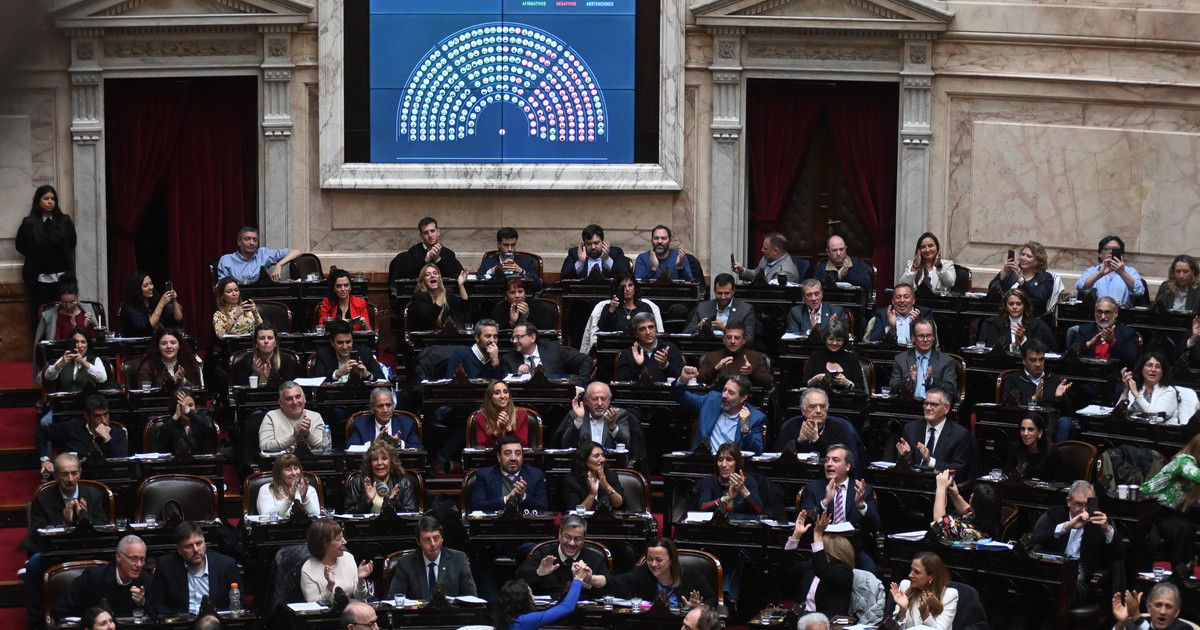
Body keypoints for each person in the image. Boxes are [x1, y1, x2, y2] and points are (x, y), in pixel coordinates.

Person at [22, 453, 111, 627]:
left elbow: (104, 528)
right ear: (55, 475)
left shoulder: (92, 495)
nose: (70, 479)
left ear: (80, 473)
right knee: (33, 565)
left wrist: (86, 521)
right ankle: (37, 620)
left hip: (89, 549)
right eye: (64, 474)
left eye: (74, 473)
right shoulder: (44, 497)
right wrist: (64, 523)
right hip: (56, 552)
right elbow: (37, 532)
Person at [1032, 480, 1119, 603]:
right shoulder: (1055, 514)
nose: (1083, 510)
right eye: (1078, 504)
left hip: (1080, 581)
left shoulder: (1100, 522)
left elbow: (1119, 554)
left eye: (1087, 505)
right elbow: (1037, 537)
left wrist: (1107, 530)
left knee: (1061, 590)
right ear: (1069, 502)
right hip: (1053, 572)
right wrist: (1067, 526)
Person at [586, 537, 718, 607]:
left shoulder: (689, 573)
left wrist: (699, 607)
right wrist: (591, 578)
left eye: (659, 560)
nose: (653, 564)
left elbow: (713, 599)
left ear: (671, 560)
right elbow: (616, 581)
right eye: (649, 559)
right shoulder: (643, 573)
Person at [150, 521, 239, 615]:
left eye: (199, 543)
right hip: (182, 621)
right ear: (179, 549)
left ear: (204, 542)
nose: (196, 550)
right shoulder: (165, 566)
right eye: (189, 546)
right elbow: (158, 604)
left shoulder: (226, 565)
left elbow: (239, 601)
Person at [55, 535, 154, 619]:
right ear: (119, 557)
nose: (139, 564)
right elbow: (62, 613)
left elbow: (155, 618)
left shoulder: (146, 581)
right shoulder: (93, 577)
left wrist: (143, 603)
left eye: (142, 559)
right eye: (133, 559)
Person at [16, 185, 76, 323]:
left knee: (64, 314)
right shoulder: (29, 223)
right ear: (38, 201)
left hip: (61, 277)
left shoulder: (64, 220)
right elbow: (20, 245)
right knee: (41, 315)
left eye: (53, 199)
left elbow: (72, 243)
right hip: (39, 279)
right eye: (46, 198)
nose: (50, 202)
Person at [1140, 434, 1200, 572]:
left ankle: (1181, 574)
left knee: (1184, 528)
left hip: (1167, 514)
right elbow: (1195, 475)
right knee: (1154, 539)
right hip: (1147, 510)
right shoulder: (1183, 460)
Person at [894, 387, 977, 482]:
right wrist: (906, 457)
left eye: (934, 404)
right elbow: (902, 465)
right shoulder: (910, 429)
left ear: (946, 408)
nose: (928, 408)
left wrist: (930, 461)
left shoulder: (959, 434)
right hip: (913, 483)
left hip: (941, 485)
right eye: (926, 403)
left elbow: (958, 470)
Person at [999, 340, 1075, 441]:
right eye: (1033, 360)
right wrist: (1034, 399)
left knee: (1065, 422)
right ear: (1024, 360)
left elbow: (1069, 412)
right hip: (1024, 423)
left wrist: (1060, 397)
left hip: (1050, 424)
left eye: (1041, 360)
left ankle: (1052, 449)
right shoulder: (1013, 380)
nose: (1038, 364)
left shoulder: (1053, 379)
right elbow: (1008, 408)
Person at [516, 514, 610, 596]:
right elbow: (519, 577)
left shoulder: (595, 558)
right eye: (568, 537)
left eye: (577, 539)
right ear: (560, 535)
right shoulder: (544, 553)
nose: (572, 543)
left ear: (584, 539)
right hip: (549, 608)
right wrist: (539, 572)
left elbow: (608, 588)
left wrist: (590, 581)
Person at [676, 367, 765, 452]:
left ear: (743, 398)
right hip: (705, 460)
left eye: (731, 393)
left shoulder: (755, 418)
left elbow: (756, 451)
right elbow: (679, 396)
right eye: (724, 390)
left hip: (732, 462)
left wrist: (745, 428)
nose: (724, 395)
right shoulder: (711, 400)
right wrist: (682, 380)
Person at [387, 515, 478, 598]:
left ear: (442, 538)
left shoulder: (459, 559)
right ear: (418, 542)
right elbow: (394, 599)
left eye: (436, 538)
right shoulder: (405, 564)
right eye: (427, 539)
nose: (433, 544)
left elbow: (471, 597)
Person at [35, 395, 127, 473]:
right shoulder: (72, 427)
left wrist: (107, 439)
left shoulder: (118, 433)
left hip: (107, 476)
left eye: (106, 414)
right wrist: (45, 459)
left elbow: (121, 462)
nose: (103, 420)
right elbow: (41, 433)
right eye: (97, 416)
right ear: (87, 417)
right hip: (74, 477)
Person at [798, 444, 880, 532]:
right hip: (822, 538)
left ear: (847, 467)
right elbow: (804, 524)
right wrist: (825, 502)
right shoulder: (813, 488)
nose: (829, 464)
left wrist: (861, 505)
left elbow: (875, 527)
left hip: (852, 539)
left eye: (835, 460)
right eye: (827, 460)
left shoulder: (862, 490)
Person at [773, 389, 864, 467]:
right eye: (813, 407)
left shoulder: (839, 428)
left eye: (822, 406)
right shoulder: (791, 426)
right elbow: (777, 456)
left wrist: (816, 441)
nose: (818, 411)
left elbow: (843, 462)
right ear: (803, 410)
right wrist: (799, 441)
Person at [788, 512, 854, 617]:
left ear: (833, 554)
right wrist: (796, 536)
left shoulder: (844, 572)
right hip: (803, 616)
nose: (817, 553)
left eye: (821, 550)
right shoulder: (812, 565)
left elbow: (824, 571)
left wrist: (818, 534)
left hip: (828, 620)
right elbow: (787, 569)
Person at [32, 281, 98, 383]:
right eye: (64, 303)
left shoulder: (87, 312)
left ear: (77, 296)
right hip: (62, 357)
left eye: (72, 302)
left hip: (86, 357)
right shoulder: (52, 316)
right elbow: (55, 344)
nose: (68, 306)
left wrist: (85, 327)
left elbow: (95, 341)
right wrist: (73, 331)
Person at [495, 565, 590, 630]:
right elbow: (567, 607)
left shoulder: (504, 619)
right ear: (522, 599)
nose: (534, 598)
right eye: (531, 594)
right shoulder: (525, 621)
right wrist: (578, 579)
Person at [300, 519, 371, 604]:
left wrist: (360, 580)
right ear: (323, 544)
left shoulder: (348, 558)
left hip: (349, 610)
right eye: (338, 539)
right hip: (326, 612)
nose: (345, 542)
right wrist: (329, 586)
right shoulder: (308, 569)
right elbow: (313, 605)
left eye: (343, 537)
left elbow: (359, 597)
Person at [471, 435, 549, 512]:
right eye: (507, 453)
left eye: (517, 453)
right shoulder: (485, 475)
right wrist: (505, 500)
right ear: (499, 456)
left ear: (522, 456)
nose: (513, 458)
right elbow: (476, 506)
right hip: (497, 520)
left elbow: (544, 508)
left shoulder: (535, 475)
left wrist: (523, 497)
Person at [555, 382, 637, 453]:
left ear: (609, 400)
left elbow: (626, 445)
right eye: (595, 399)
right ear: (586, 401)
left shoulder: (619, 415)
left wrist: (612, 427)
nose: (599, 403)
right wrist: (579, 420)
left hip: (609, 462)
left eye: (603, 399)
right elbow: (565, 445)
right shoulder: (576, 414)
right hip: (584, 462)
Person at [888, 319, 958, 400]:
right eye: (921, 336)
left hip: (933, 405)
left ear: (933, 338)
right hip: (908, 404)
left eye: (929, 336)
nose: (925, 340)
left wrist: (931, 381)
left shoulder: (946, 361)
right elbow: (892, 388)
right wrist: (909, 381)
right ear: (913, 337)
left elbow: (951, 391)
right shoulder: (901, 359)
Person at [502, 323, 594, 384]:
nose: (514, 341)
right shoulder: (508, 359)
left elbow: (586, 360)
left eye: (518, 337)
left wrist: (580, 386)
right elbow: (505, 388)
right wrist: (517, 376)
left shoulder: (554, 349)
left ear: (533, 337)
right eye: (513, 338)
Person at [343, 439, 418, 513]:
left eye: (384, 458)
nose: (379, 463)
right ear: (370, 463)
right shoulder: (358, 482)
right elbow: (348, 513)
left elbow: (410, 514)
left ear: (391, 461)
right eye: (375, 459)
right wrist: (367, 502)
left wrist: (394, 503)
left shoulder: (404, 483)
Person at [889, 551, 958, 630]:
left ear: (931, 577)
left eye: (917, 572)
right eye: (911, 569)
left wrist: (924, 614)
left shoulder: (949, 595)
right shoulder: (905, 586)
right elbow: (893, 628)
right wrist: (902, 610)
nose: (910, 575)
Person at [683, 273, 760, 342]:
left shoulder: (746, 310)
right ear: (714, 290)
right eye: (719, 293)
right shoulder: (703, 307)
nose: (723, 297)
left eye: (726, 293)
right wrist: (698, 328)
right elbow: (686, 333)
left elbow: (749, 340)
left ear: (733, 291)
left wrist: (725, 329)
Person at [976, 288, 1057, 352]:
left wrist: (1023, 340)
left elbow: (1049, 349)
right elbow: (990, 349)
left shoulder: (1038, 325)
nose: (1014, 307)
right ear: (1005, 306)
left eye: (1019, 304)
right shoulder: (994, 324)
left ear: (1025, 306)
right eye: (1011, 304)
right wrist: (1014, 346)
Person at [988, 241, 1056, 316]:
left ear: (1038, 261)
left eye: (1028, 256)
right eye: (1022, 254)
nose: (1023, 258)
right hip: (1005, 315)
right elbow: (991, 291)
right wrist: (1003, 274)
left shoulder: (1045, 277)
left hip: (1031, 317)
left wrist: (1021, 280)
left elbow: (1040, 299)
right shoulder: (1011, 272)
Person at [694, 442, 762, 516]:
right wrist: (725, 499)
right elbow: (702, 507)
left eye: (729, 460)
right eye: (720, 460)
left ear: (737, 463)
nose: (723, 465)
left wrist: (743, 490)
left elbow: (759, 510)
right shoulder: (709, 481)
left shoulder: (749, 481)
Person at [1120, 352, 1189, 424]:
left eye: (1158, 367)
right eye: (1149, 365)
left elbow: (1157, 418)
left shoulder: (1169, 391)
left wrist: (1137, 395)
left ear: (1163, 372)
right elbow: (1117, 415)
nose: (1153, 369)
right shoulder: (1137, 387)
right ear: (1142, 369)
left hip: (1158, 430)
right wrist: (1126, 390)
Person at [1076, 235, 1144, 308]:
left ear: (1122, 255)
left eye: (1115, 249)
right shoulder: (1092, 271)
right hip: (1097, 312)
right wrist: (1099, 274)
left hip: (1122, 312)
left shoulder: (1130, 272)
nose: (1111, 252)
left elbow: (1139, 291)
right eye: (1107, 248)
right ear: (1100, 254)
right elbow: (1080, 286)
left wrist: (1122, 273)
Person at [389, 217, 465, 281]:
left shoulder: (448, 254)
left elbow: (454, 277)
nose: (430, 235)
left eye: (432, 231)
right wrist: (425, 261)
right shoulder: (413, 252)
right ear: (421, 236)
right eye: (426, 233)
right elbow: (409, 276)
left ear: (438, 232)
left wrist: (437, 260)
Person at [697, 322, 771, 388]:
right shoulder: (711, 356)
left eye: (737, 338)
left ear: (744, 340)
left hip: (746, 397)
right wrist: (715, 369)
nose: (732, 341)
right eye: (729, 337)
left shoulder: (755, 356)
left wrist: (752, 373)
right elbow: (699, 379)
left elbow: (768, 383)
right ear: (723, 339)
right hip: (718, 396)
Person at [258, 381, 326, 452]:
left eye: (298, 397)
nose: (295, 402)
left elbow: (324, 445)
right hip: (281, 459)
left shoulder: (315, 417)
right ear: (281, 403)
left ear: (304, 398)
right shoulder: (271, 417)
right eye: (289, 399)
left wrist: (307, 434)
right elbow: (264, 446)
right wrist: (293, 437)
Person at [932, 471, 1001, 541]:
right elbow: (967, 512)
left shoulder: (969, 531)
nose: (971, 495)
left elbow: (938, 523)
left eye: (972, 497)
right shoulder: (988, 519)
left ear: (975, 507)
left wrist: (941, 489)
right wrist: (955, 494)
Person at [347, 387, 423, 449]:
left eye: (388, 405)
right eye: (380, 406)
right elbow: (350, 449)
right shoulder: (361, 425)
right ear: (372, 408)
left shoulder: (406, 424)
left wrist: (399, 443)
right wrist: (373, 443)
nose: (385, 410)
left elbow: (418, 449)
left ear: (393, 406)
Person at [615, 313, 684, 382]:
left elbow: (681, 380)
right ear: (636, 333)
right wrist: (637, 365)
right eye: (642, 329)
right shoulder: (627, 354)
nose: (648, 332)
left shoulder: (671, 349)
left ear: (656, 329)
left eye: (651, 327)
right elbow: (621, 382)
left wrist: (665, 365)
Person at [216, 225, 300, 281]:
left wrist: (279, 264)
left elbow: (296, 252)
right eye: (247, 239)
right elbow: (221, 288)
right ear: (239, 242)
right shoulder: (227, 260)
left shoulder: (263, 254)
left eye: (255, 240)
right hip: (238, 299)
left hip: (261, 298)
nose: (252, 243)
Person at [312, 319, 385, 382]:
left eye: (348, 342)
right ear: (332, 342)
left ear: (352, 341)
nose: (345, 347)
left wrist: (367, 375)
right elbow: (317, 379)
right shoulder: (323, 354)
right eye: (340, 342)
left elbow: (382, 379)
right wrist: (338, 373)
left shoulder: (365, 353)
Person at [41, 326, 109, 395]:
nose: (79, 346)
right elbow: (48, 376)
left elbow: (102, 379)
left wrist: (84, 362)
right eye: (76, 342)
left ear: (87, 345)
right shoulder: (64, 359)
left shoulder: (96, 360)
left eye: (83, 342)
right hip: (66, 400)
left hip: (87, 400)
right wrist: (59, 365)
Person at [562, 439, 625, 511]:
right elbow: (575, 512)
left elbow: (619, 504)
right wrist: (592, 495)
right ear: (585, 460)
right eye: (596, 456)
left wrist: (607, 487)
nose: (602, 460)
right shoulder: (571, 482)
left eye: (602, 455)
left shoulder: (611, 476)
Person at [1075, 297, 1140, 367]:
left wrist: (1113, 344)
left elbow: (1132, 360)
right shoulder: (1085, 330)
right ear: (1095, 313)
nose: (1103, 317)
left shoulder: (1127, 333)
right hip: (1089, 371)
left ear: (1116, 313)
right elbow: (1072, 355)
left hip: (1115, 372)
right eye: (1099, 312)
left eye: (1107, 312)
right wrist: (1089, 344)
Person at [802, 322, 865, 393]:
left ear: (844, 341)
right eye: (830, 339)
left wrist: (847, 383)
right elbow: (804, 386)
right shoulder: (815, 357)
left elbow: (860, 389)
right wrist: (816, 379)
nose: (834, 343)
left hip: (846, 399)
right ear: (825, 339)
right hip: (819, 398)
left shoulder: (852, 359)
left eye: (839, 340)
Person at [231, 322, 298, 388]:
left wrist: (271, 378)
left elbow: (289, 389)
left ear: (275, 343)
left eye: (270, 338)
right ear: (256, 343)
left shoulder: (286, 361)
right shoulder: (246, 362)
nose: (266, 341)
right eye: (262, 338)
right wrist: (255, 375)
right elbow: (241, 390)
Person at [479, 227, 544, 294]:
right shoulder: (487, 262)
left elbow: (538, 286)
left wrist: (521, 271)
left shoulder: (526, 262)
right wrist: (491, 271)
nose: (510, 249)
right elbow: (478, 285)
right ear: (499, 245)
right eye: (506, 245)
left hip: (520, 299)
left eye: (513, 245)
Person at [408, 263, 470, 332]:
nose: (432, 276)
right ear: (423, 280)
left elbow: (464, 307)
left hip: (445, 334)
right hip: (425, 336)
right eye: (428, 275)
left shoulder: (448, 292)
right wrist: (441, 293)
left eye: (435, 273)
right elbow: (431, 317)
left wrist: (461, 285)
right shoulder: (419, 296)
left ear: (439, 277)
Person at [1002, 413, 1063, 481]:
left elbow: (1058, 481)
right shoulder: (1015, 448)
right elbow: (1006, 475)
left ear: (1040, 432)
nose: (1025, 433)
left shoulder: (1052, 451)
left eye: (1030, 429)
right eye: (1022, 429)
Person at [120, 270, 184, 336]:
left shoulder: (155, 302)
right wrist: (161, 304)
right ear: (137, 289)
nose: (151, 287)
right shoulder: (129, 308)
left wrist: (174, 300)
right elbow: (146, 328)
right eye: (145, 286)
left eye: (151, 283)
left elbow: (178, 321)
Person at [155, 388, 217, 455]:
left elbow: (209, 429)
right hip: (177, 461)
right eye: (183, 406)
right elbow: (161, 446)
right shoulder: (170, 423)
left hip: (201, 461)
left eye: (190, 405)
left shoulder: (204, 417)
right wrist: (176, 416)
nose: (186, 409)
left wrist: (189, 413)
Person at [256, 453, 321, 517]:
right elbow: (266, 516)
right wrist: (289, 500)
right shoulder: (266, 490)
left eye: (296, 468)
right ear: (279, 473)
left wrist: (305, 498)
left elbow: (316, 516)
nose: (294, 473)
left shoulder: (309, 490)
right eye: (288, 469)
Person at [559, 224, 630, 280]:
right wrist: (580, 262)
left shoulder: (616, 253)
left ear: (602, 242)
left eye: (596, 243)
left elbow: (625, 277)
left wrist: (607, 259)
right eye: (589, 244)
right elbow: (563, 278)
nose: (593, 247)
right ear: (584, 244)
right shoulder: (574, 254)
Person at [471, 380, 530, 448]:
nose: (502, 396)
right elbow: (481, 448)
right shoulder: (481, 417)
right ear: (490, 397)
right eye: (497, 393)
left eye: (505, 392)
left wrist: (509, 429)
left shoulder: (521, 415)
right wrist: (496, 432)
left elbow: (523, 446)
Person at [138, 328, 202, 388]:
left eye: (173, 343)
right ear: (158, 347)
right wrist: (171, 383)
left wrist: (183, 381)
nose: (169, 346)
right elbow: (144, 393)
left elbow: (199, 391)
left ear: (179, 345)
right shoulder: (148, 366)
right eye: (164, 343)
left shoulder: (190, 364)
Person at [1112, 582, 1192, 630]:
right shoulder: (1131, 624)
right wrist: (1121, 622)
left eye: (1168, 606)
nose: (1162, 612)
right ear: (1148, 607)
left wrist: (1137, 617)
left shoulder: (1184, 628)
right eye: (1158, 605)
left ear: (1176, 612)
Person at [733, 232, 800, 284]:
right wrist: (742, 271)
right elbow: (756, 275)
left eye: (765, 248)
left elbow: (773, 292)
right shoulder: (767, 258)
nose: (762, 250)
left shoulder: (787, 272)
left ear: (775, 251)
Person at [491, 278, 555, 331]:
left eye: (520, 292)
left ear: (525, 293)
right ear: (506, 296)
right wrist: (511, 323)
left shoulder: (536, 305)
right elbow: (495, 332)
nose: (517, 296)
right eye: (513, 292)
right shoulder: (500, 308)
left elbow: (548, 328)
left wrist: (528, 316)